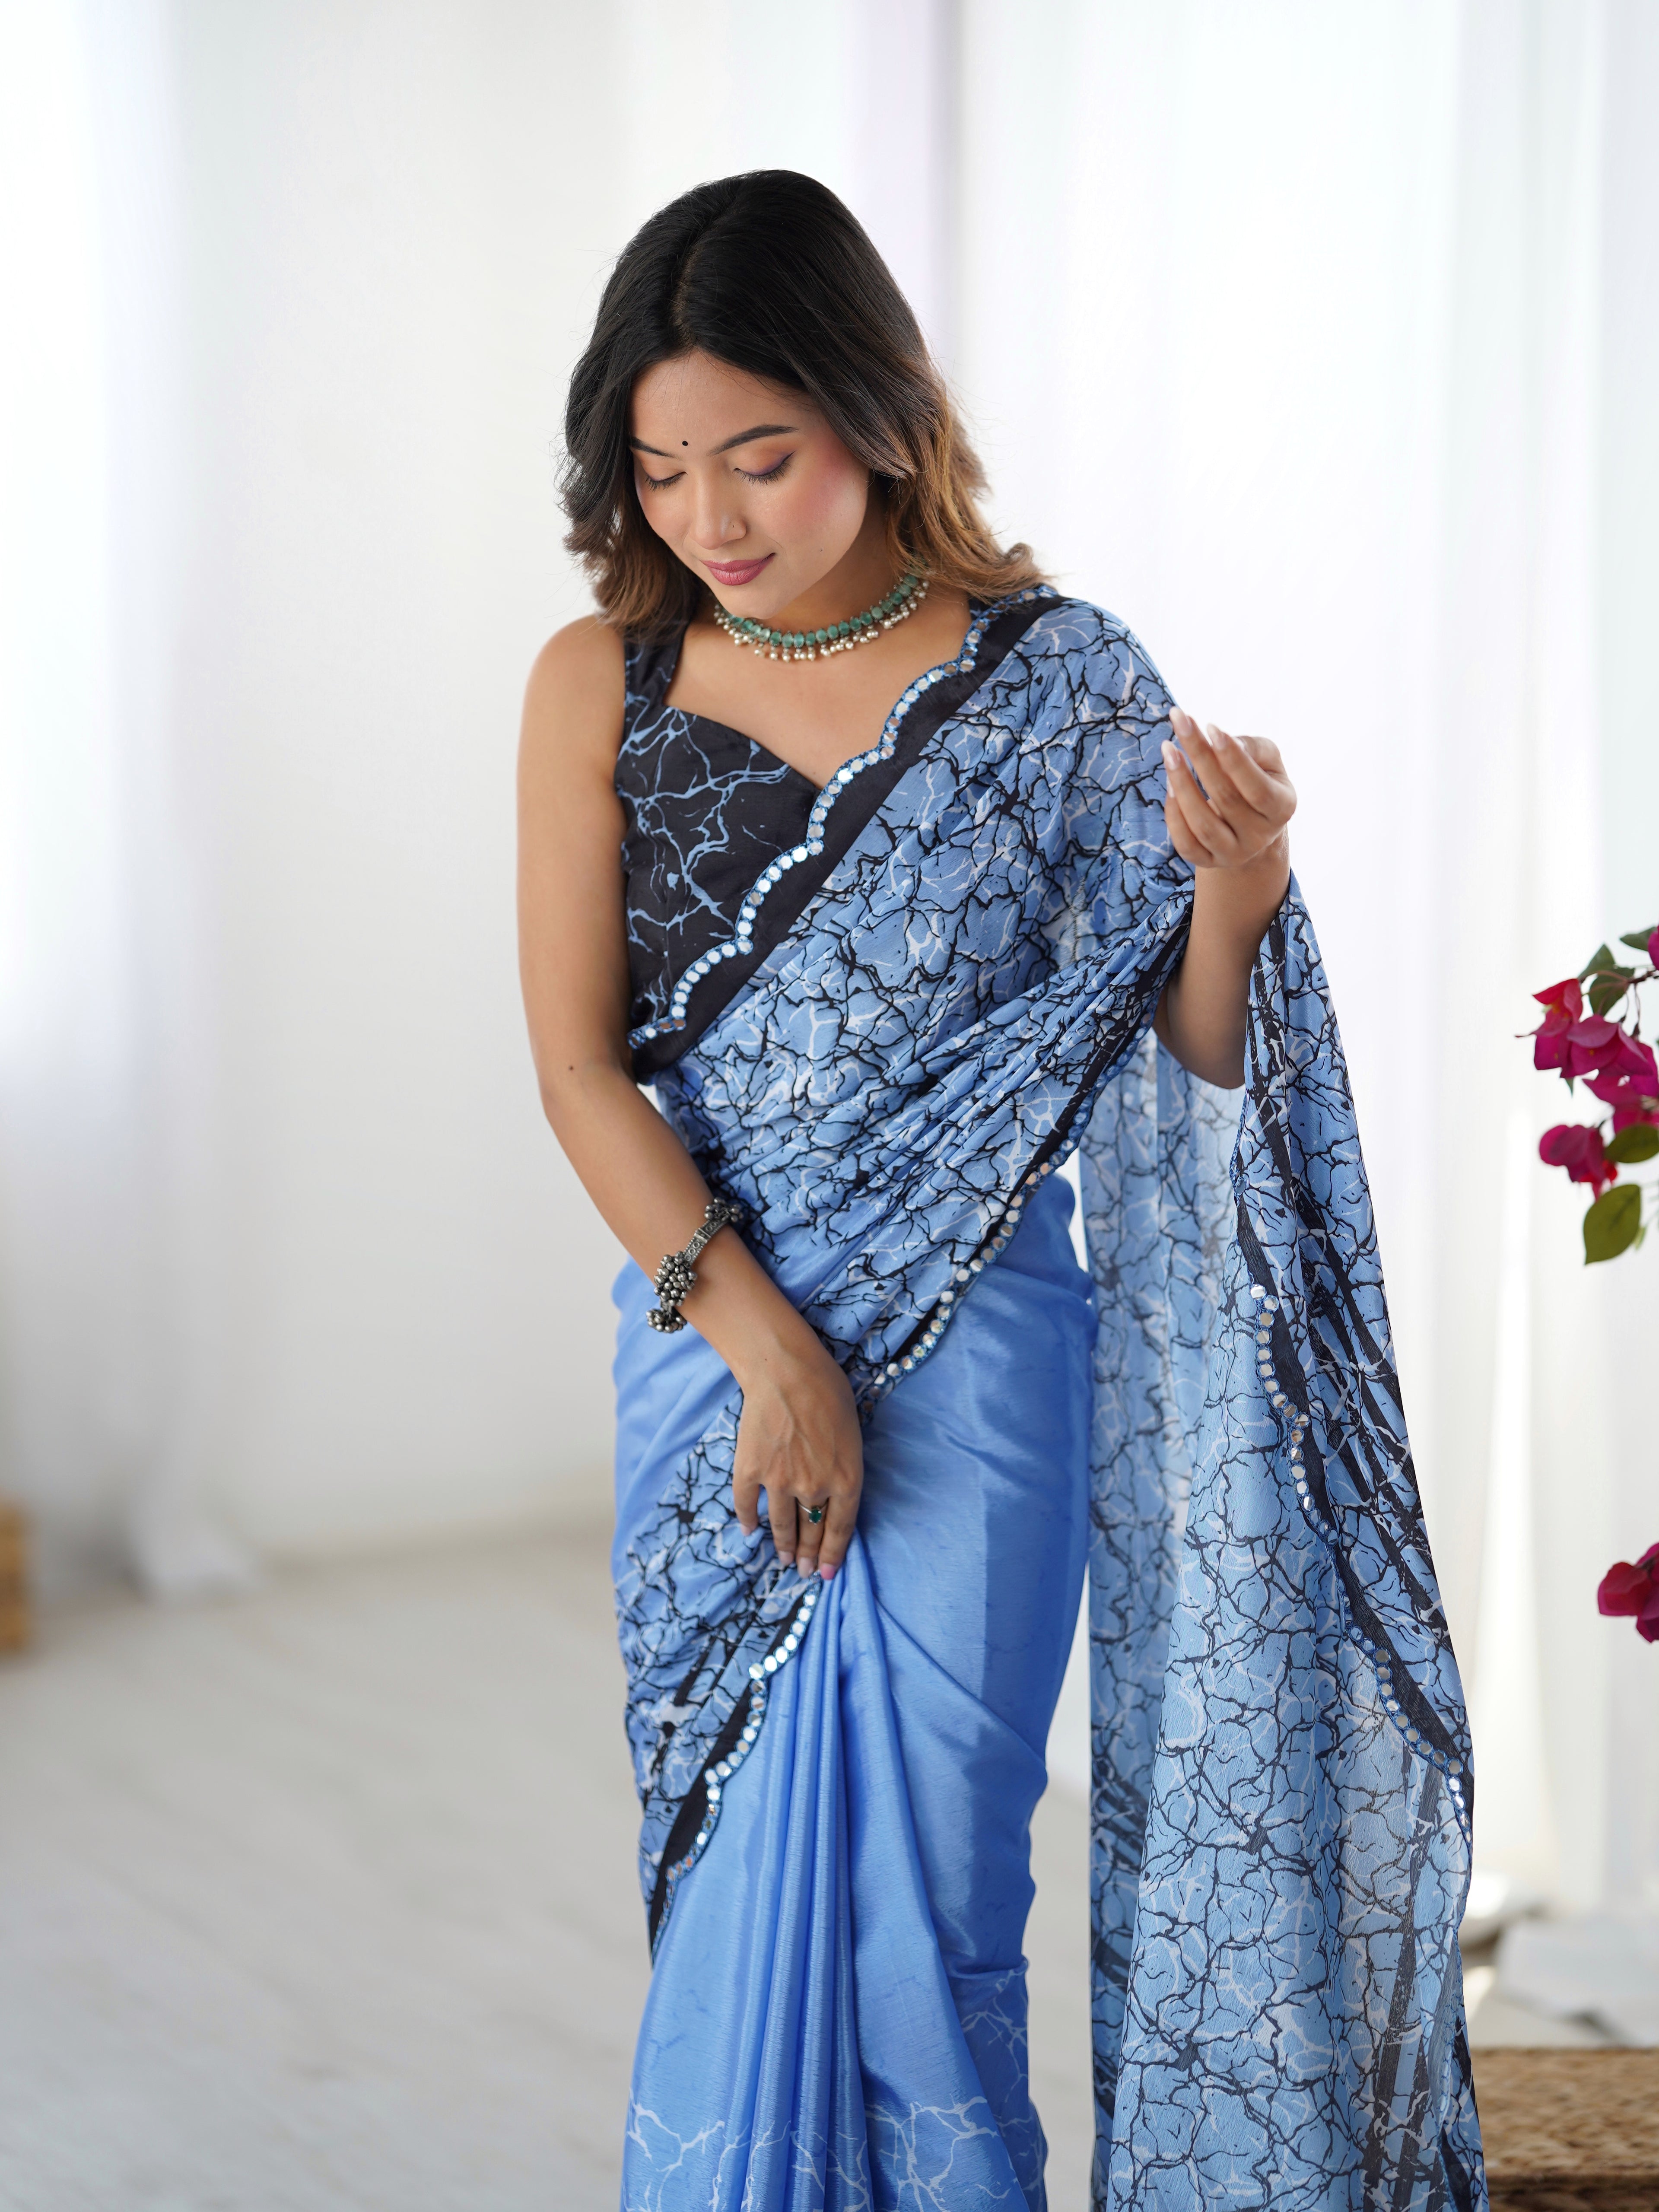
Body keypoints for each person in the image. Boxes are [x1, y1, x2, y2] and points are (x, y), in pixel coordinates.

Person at [518, 171, 1483, 2212]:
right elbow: (580, 1068)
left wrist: (1241, 888)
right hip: (708, 1355)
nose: (713, 515)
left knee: (943, 1885)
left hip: (986, 1360)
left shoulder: (1057, 681)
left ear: (877, 411)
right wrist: (763, 1341)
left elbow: (1191, 1052)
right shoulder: (597, 684)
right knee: (730, 1874)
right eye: (666, 465)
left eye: (760, 455)